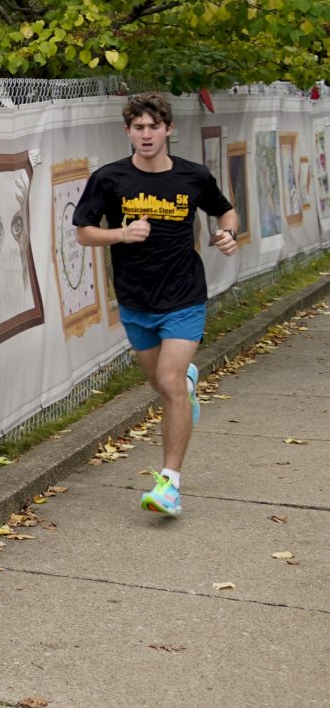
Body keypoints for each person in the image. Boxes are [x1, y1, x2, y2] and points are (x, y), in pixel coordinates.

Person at [75, 92, 238, 517]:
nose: (146, 134)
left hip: (184, 295)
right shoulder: (110, 179)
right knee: (162, 385)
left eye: (153, 126)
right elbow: (84, 232)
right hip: (135, 299)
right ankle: (185, 386)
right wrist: (120, 236)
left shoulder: (193, 176)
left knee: (167, 382)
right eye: (138, 127)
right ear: (128, 132)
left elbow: (226, 212)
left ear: (168, 130)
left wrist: (227, 234)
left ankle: (170, 484)